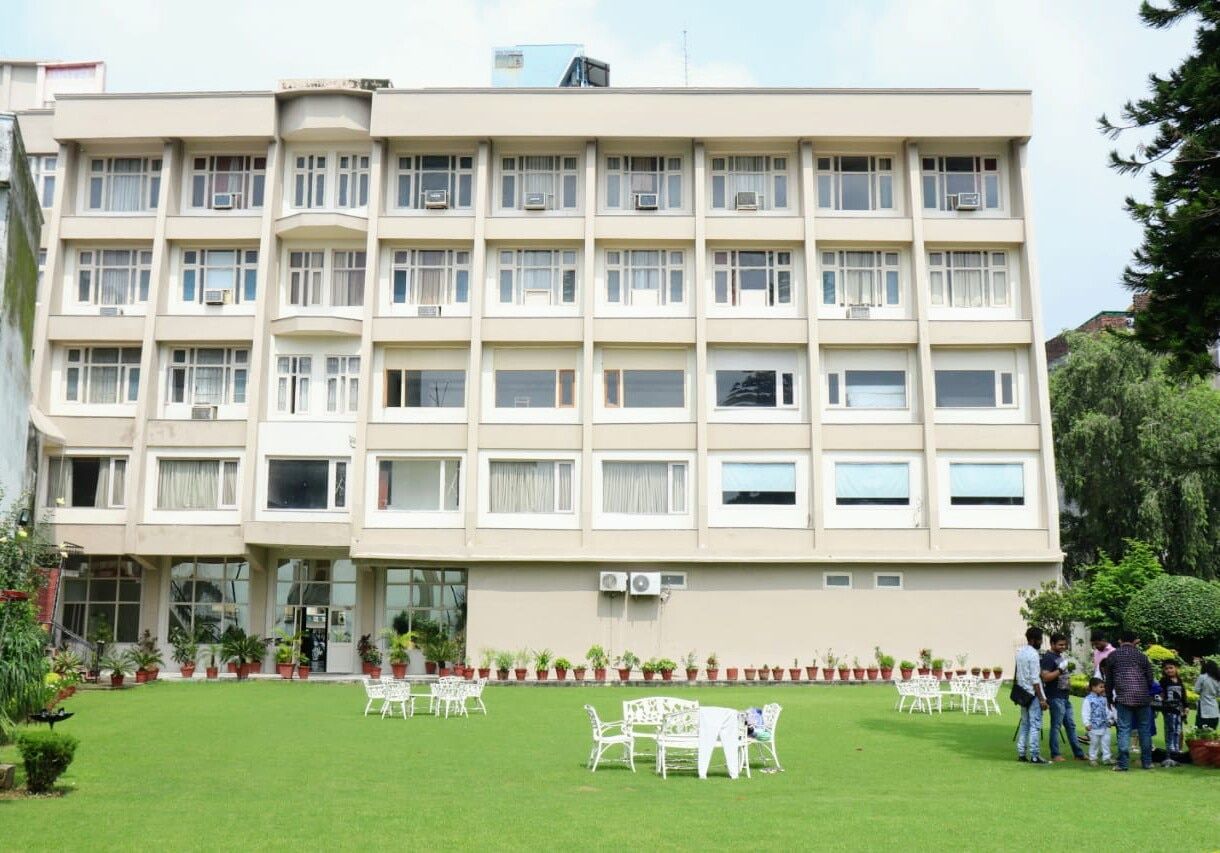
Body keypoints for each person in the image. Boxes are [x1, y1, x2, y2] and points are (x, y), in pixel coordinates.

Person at [1105, 629, 1155, 771]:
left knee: (1124, 729)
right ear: (1135, 641)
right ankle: (1147, 762)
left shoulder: (1113, 656)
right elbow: (1150, 680)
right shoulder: (1142, 656)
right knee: (1144, 730)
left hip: (1123, 697)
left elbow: (1109, 681)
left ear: (1120, 640)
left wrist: (1109, 698)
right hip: (1143, 698)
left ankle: (1123, 763)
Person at [1041, 633, 1085, 762]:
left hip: (1064, 696)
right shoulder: (1048, 658)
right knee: (1056, 726)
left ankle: (1079, 753)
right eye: (1060, 644)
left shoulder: (1059, 657)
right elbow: (1046, 677)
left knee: (1071, 725)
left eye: (1065, 644)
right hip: (1055, 696)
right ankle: (1055, 754)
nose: (1063, 647)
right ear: (1052, 644)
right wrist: (1060, 671)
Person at [1015, 626, 1050, 764]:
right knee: (1035, 725)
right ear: (1034, 639)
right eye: (1040, 639)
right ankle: (1035, 755)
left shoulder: (1020, 653)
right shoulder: (1034, 655)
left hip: (1022, 693)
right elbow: (1035, 680)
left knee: (1025, 724)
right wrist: (1042, 699)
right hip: (1033, 693)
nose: (1041, 642)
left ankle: (1022, 753)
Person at [1159, 660, 1188, 765]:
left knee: (1178, 729)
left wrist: (1186, 707)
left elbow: (1184, 695)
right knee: (1170, 728)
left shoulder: (1179, 680)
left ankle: (1176, 750)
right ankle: (1170, 751)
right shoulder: (1163, 681)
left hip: (1179, 709)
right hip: (1168, 708)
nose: (1169, 670)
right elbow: (1161, 694)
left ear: (1176, 669)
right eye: (1166, 668)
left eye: (1171, 668)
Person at [1081, 677, 1112, 765]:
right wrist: (1087, 723)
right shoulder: (1088, 699)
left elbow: (1107, 710)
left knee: (1106, 742)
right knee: (1094, 743)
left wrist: (1110, 720)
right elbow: (1085, 712)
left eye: (1103, 687)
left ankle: (1106, 758)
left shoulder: (1104, 699)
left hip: (1105, 725)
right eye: (1101, 687)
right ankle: (1093, 758)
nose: (1103, 689)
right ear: (1093, 688)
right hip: (1094, 726)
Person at [1196, 659, 1220, 731]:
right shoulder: (1217, 678)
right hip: (1214, 707)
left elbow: (1196, 690)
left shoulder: (1202, 677)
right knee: (1212, 729)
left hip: (1203, 705)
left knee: (1200, 728)